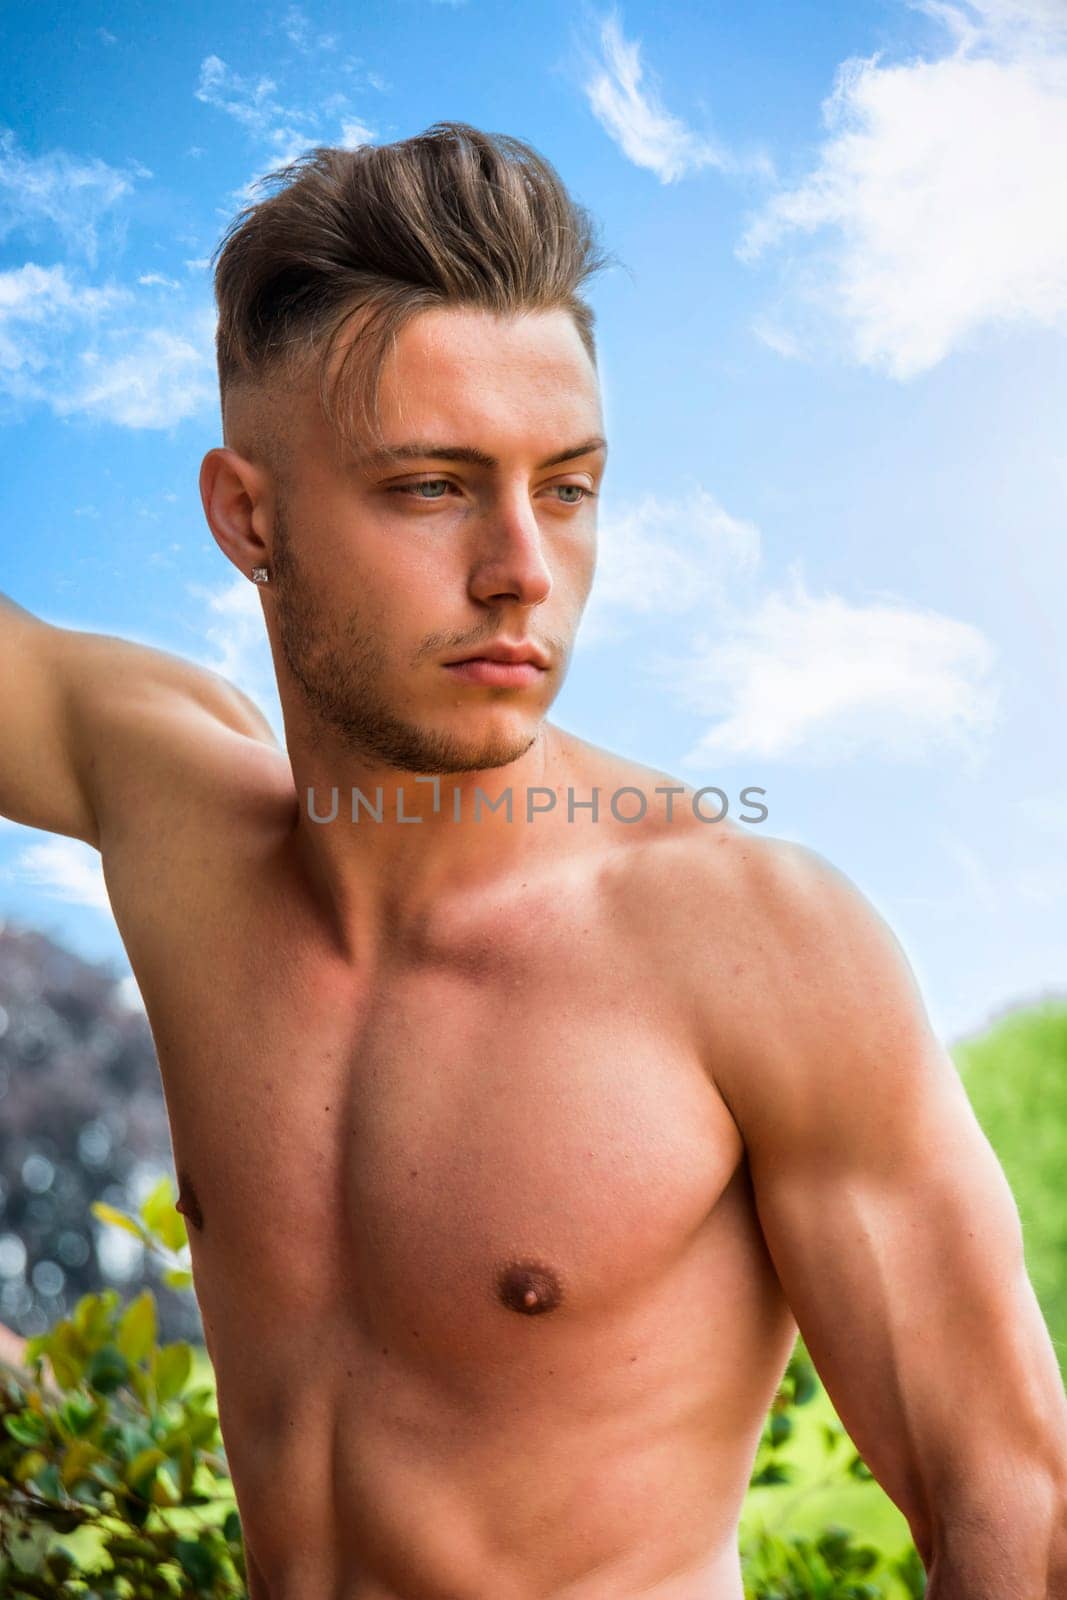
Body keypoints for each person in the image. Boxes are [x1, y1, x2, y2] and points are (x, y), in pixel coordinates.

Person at [2, 120, 1065, 1600]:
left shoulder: (751, 940)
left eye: (566, 487)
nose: (523, 569)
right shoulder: (181, 826)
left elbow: (1012, 1505)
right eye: (433, 487)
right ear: (249, 515)